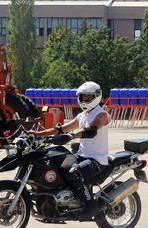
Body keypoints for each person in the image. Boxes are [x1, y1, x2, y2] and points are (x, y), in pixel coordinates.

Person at [31, 81, 110, 219]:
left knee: (75, 173)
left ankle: (91, 206)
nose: (85, 99)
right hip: (82, 155)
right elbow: (61, 129)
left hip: (97, 160)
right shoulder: (82, 115)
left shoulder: (101, 114)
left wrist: (71, 136)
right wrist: (38, 135)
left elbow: (91, 131)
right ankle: (59, 205)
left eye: (88, 97)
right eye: (83, 96)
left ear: (96, 96)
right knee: (57, 166)